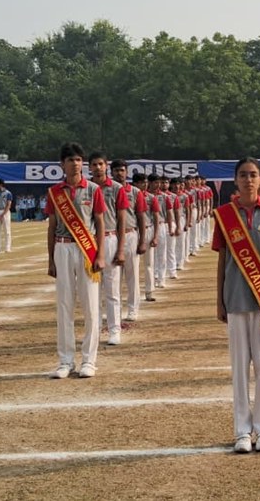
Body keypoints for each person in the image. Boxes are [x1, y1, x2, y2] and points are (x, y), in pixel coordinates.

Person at [212, 157, 260, 454]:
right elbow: (222, 259)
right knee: (240, 368)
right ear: (235, 180)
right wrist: (219, 300)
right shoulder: (224, 215)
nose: (248, 180)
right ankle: (242, 431)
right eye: (242, 175)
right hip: (235, 298)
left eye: (253, 175)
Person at [46, 142, 107, 379]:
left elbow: (99, 223)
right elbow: (51, 227)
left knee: (91, 306)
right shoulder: (54, 192)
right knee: (64, 305)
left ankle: (89, 360)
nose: (75, 164)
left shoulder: (93, 190)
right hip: (62, 248)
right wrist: (50, 260)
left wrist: (100, 254)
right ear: (62, 164)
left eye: (79, 160)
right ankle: (66, 360)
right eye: (70, 160)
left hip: (86, 249)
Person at [88, 153, 128, 345]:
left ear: (106, 166)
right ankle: (94, 330)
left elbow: (122, 220)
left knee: (112, 289)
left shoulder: (117, 188)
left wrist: (120, 249)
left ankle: (114, 330)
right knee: (91, 290)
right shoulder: (86, 188)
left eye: (101, 164)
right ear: (89, 167)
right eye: (94, 164)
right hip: (88, 241)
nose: (98, 168)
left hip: (110, 238)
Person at [111, 161, 148, 323]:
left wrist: (142, 241)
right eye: (116, 170)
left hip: (130, 235)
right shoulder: (107, 190)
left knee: (132, 275)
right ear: (111, 172)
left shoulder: (135, 192)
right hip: (112, 237)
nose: (119, 173)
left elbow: (141, 217)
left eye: (122, 170)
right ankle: (115, 311)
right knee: (113, 277)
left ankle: (133, 309)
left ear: (127, 172)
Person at [137, 173, 161, 302]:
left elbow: (156, 217)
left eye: (146, 182)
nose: (145, 185)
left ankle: (149, 291)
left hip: (147, 230)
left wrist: (155, 236)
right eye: (142, 182)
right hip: (133, 231)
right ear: (136, 184)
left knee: (149, 263)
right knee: (133, 266)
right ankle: (134, 294)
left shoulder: (151, 198)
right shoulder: (130, 195)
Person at [0, 179, 13, 253]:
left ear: (0, 184)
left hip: (5, 211)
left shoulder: (8, 193)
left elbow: (8, 204)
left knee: (7, 230)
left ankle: (7, 247)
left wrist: (3, 214)